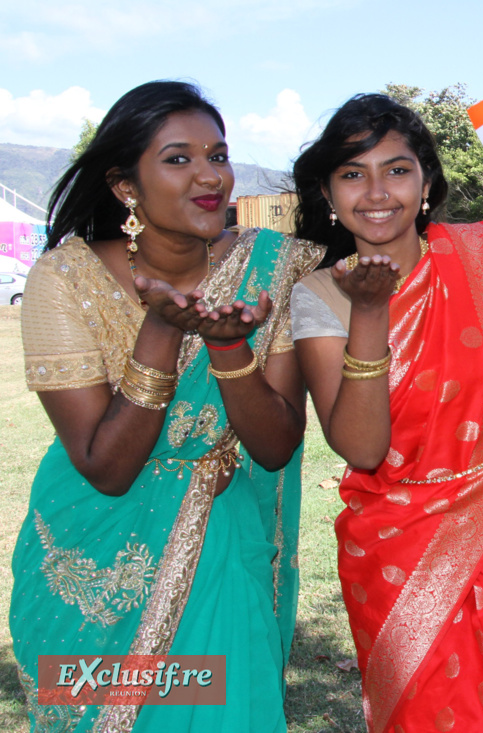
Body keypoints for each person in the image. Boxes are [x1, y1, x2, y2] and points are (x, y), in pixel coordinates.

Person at [289, 93, 483, 733]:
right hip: (399, 550)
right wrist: (370, 313)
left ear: (427, 183)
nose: (377, 191)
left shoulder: (482, 254)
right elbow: (361, 448)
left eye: (397, 169)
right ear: (328, 194)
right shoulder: (320, 296)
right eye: (353, 174)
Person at [9, 80, 322, 732]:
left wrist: (231, 347)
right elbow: (107, 466)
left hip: (220, 546)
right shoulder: (65, 280)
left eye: (218, 154)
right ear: (126, 187)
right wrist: (162, 328)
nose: (210, 176)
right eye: (179, 159)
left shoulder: (269, 269)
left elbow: (273, 446)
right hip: (93, 562)